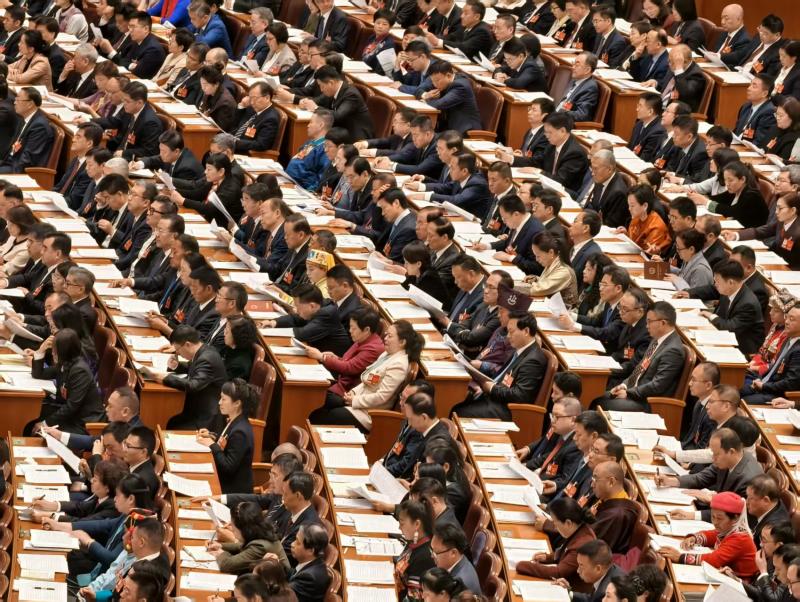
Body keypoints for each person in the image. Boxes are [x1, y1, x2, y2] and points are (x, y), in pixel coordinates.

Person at [309, 320, 422, 432]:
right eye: (386, 334)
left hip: (369, 413)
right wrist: (353, 392)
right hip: (359, 401)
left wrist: (355, 400)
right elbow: (368, 380)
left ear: (402, 342)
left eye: (390, 336)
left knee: (322, 416)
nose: (385, 338)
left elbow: (382, 396)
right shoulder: (387, 354)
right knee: (320, 403)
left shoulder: (399, 365)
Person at [452, 310, 547, 420]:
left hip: (505, 409)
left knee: (457, 411)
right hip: (494, 397)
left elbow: (520, 396)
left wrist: (492, 388)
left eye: (511, 332)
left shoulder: (533, 361)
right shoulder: (520, 349)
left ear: (526, 331)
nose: (508, 336)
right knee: (453, 400)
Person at [594, 301, 687, 412]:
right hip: (634, 392)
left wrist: (628, 393)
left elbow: (657, 386)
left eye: (649, 321)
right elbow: (639, 368)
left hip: (647, 402)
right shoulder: (657, 338)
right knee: (596, 397)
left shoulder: (673, 351)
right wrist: (624, 385)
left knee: (600, 403)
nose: (646, 326)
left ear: (663, 323)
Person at [657, 429, 764, 520]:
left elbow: (732, 516)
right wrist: (671, 481)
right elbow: (702, 477)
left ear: (731, 452)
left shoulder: (748, 480)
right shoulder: (729, 459)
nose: (713, 458)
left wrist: (691, 515)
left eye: (716, 454)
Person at [141, 325, 226, 429]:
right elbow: (193, 367)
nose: (177, 353)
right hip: (193, 407)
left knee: (168, 423)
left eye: (177, 349)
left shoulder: (206, 359)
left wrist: (165, 378)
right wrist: (176, 366)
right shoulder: (203, 350)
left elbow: (193, 385)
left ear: (187, 345)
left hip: (204, 418)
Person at [658, 491, 758, 579]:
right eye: (713, 517)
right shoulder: (729, 528)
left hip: (739, 584)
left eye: (719, 518)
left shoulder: (741, 538)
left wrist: (680, 557)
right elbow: (713, 535)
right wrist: (695, 538)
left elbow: (714, 560)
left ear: (735, 518)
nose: (715, 522)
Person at [26, 328, 103, 436]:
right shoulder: (66, 363)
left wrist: (45, 423)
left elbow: (71, 406)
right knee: (31, 412)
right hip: (70, 414)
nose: (53, 353)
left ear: (64, 351)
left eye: (55, 350)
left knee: (40, 430)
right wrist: (41, 350)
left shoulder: (79, 371)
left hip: (83, 422)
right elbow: (38, 374)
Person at [306, 307, 384, 405]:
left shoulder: (373, 348)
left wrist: (322, 357)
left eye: (353, 328)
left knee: (311, 393)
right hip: (340, 381)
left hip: (348, 392)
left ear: (366, 330)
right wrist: (336, 358)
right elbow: (348, 361)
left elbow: (349, 368)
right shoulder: (363, 338)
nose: (350, 331)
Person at [517, 497, 596, 588]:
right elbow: (566, 553)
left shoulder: (582, 543)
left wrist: (523, 565)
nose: (554, 526)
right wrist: (548, 557)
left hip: (573, 590)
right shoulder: (578, 529)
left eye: (555, 523)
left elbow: (558, 573)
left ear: (568, 523)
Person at [699, 259, 764, 356]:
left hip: (743, 351)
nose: (715, 284)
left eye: (717, 281)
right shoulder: (728, 291)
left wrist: (710, 316)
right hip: (726, 340)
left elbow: (730, 328)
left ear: (730, 282)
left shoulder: (748, 304)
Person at [558, 265, 629, 354]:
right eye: (601, 284)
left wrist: (574, 326)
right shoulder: (610, 301)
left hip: (611, 354)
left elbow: (607, 333)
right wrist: (571, 316)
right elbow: (595, 321)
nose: (600, 288)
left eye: (605, 285)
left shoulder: (625, 310)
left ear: (618, 288)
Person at [265, 283, 351, 356]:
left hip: (333, 363)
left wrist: (271, 333)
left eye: (298, 307)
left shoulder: (327, 313)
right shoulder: (318, 305)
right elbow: (295, 318)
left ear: (312, 306)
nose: (296, 310)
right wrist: (273, 322)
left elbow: (303, 334)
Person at [208, 501, 289, 574]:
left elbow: (226, 565)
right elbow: (241, 545)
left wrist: (221, 553)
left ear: (242, 528)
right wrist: (221, 545)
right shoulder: (261, 531)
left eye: (233, 525)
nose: (231, 528)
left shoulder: (259, 547)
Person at [517, 396, 582, 480]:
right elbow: (549, 456)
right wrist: (524, 466)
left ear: (573, 420)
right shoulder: (562, 433)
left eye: (557, 417)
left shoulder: (576, 445)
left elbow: (564, 479)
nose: (552, 421)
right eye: (552, 415)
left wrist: (536, 479)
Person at [0, 86, 55, 174]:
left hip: (18, 170)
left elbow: (26, 162)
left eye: (18, 100)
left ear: (30, 104)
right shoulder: (23, 118)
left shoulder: (39, 127)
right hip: (9, 162)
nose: (14, 102)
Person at [418, 62, 482, 134]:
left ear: (448, 76)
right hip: (450, 127)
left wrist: (425, 102)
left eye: (437, 80)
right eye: (432, 81)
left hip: (466, 131)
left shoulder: (460, 86)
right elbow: (419, 89)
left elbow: (440, 104)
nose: (434, 84)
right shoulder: (442, 80)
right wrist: (425, 95)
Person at [393, 499, 436, 599]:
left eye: (402, 523)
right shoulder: (414, 541)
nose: (399, 528)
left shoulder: (425, 557)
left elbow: (413, 598)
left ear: (417, 524)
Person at [555, 539, 624, 602]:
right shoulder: (611, 568)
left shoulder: (606, 593)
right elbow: (591, 598)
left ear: (598, 569)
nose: (578, 571)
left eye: (581, 565)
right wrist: (568, 593)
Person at [749, 292, 794, 378]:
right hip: (757, 367)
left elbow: (775, 364)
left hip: (767, 375)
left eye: (776, 311)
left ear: (786, 315)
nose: (770, 312)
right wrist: (752, 362)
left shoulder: (787, 335)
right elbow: (762, 351)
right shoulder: (775, 325)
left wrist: (754, 368)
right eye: (771, 309)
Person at [527, 231, 578, 305]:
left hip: (563, 310)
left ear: (551, 252)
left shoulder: (564, 272)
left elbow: (538, 290)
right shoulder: (551, 263)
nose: (536, 259)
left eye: (538, 256)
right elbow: (547, 282)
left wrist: (518, 288)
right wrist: (535, 279)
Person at [431, 523, 481, 595]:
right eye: (431, 550)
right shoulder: (461, 559)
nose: (432, 556)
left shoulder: (458, 585)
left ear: (453, 553)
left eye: (436, 553)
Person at [285, 524, 330, 602]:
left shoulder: (309, 578)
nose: (292, 544)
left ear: (311, 550)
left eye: (297, 542)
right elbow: (293, 574)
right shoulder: (312, 562)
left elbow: (283, 596)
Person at [402, 240, 451, 310]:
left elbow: (419, 303)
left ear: (418, 264)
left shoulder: (429, 278)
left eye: (407, 263)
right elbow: (404, 287)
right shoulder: (415, 273)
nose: (405, 266)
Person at [623, 185, 671, 255]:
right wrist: (625, 235)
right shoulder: (637, 216)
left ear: (645, 206)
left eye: (632, 206)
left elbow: (647, 254)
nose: (629, 209)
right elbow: (633, 243)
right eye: (629, 205)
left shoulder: (656, 227)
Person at [734, 74, 778, 149]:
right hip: (737, 144)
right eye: (750, 84)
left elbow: (758, 143)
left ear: (764, 93)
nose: (748, 88)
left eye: (754, 86)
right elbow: (736, 132)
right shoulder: (746, 106)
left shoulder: (769, 112)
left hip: (748, 150)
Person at [555, 51, 599, 123]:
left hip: (563, 122)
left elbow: (582, 115)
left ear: (587, 70)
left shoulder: (590, 88)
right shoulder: (575, 79)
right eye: (573, 64)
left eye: (577, 65)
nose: (573, 67)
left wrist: (560, 113)